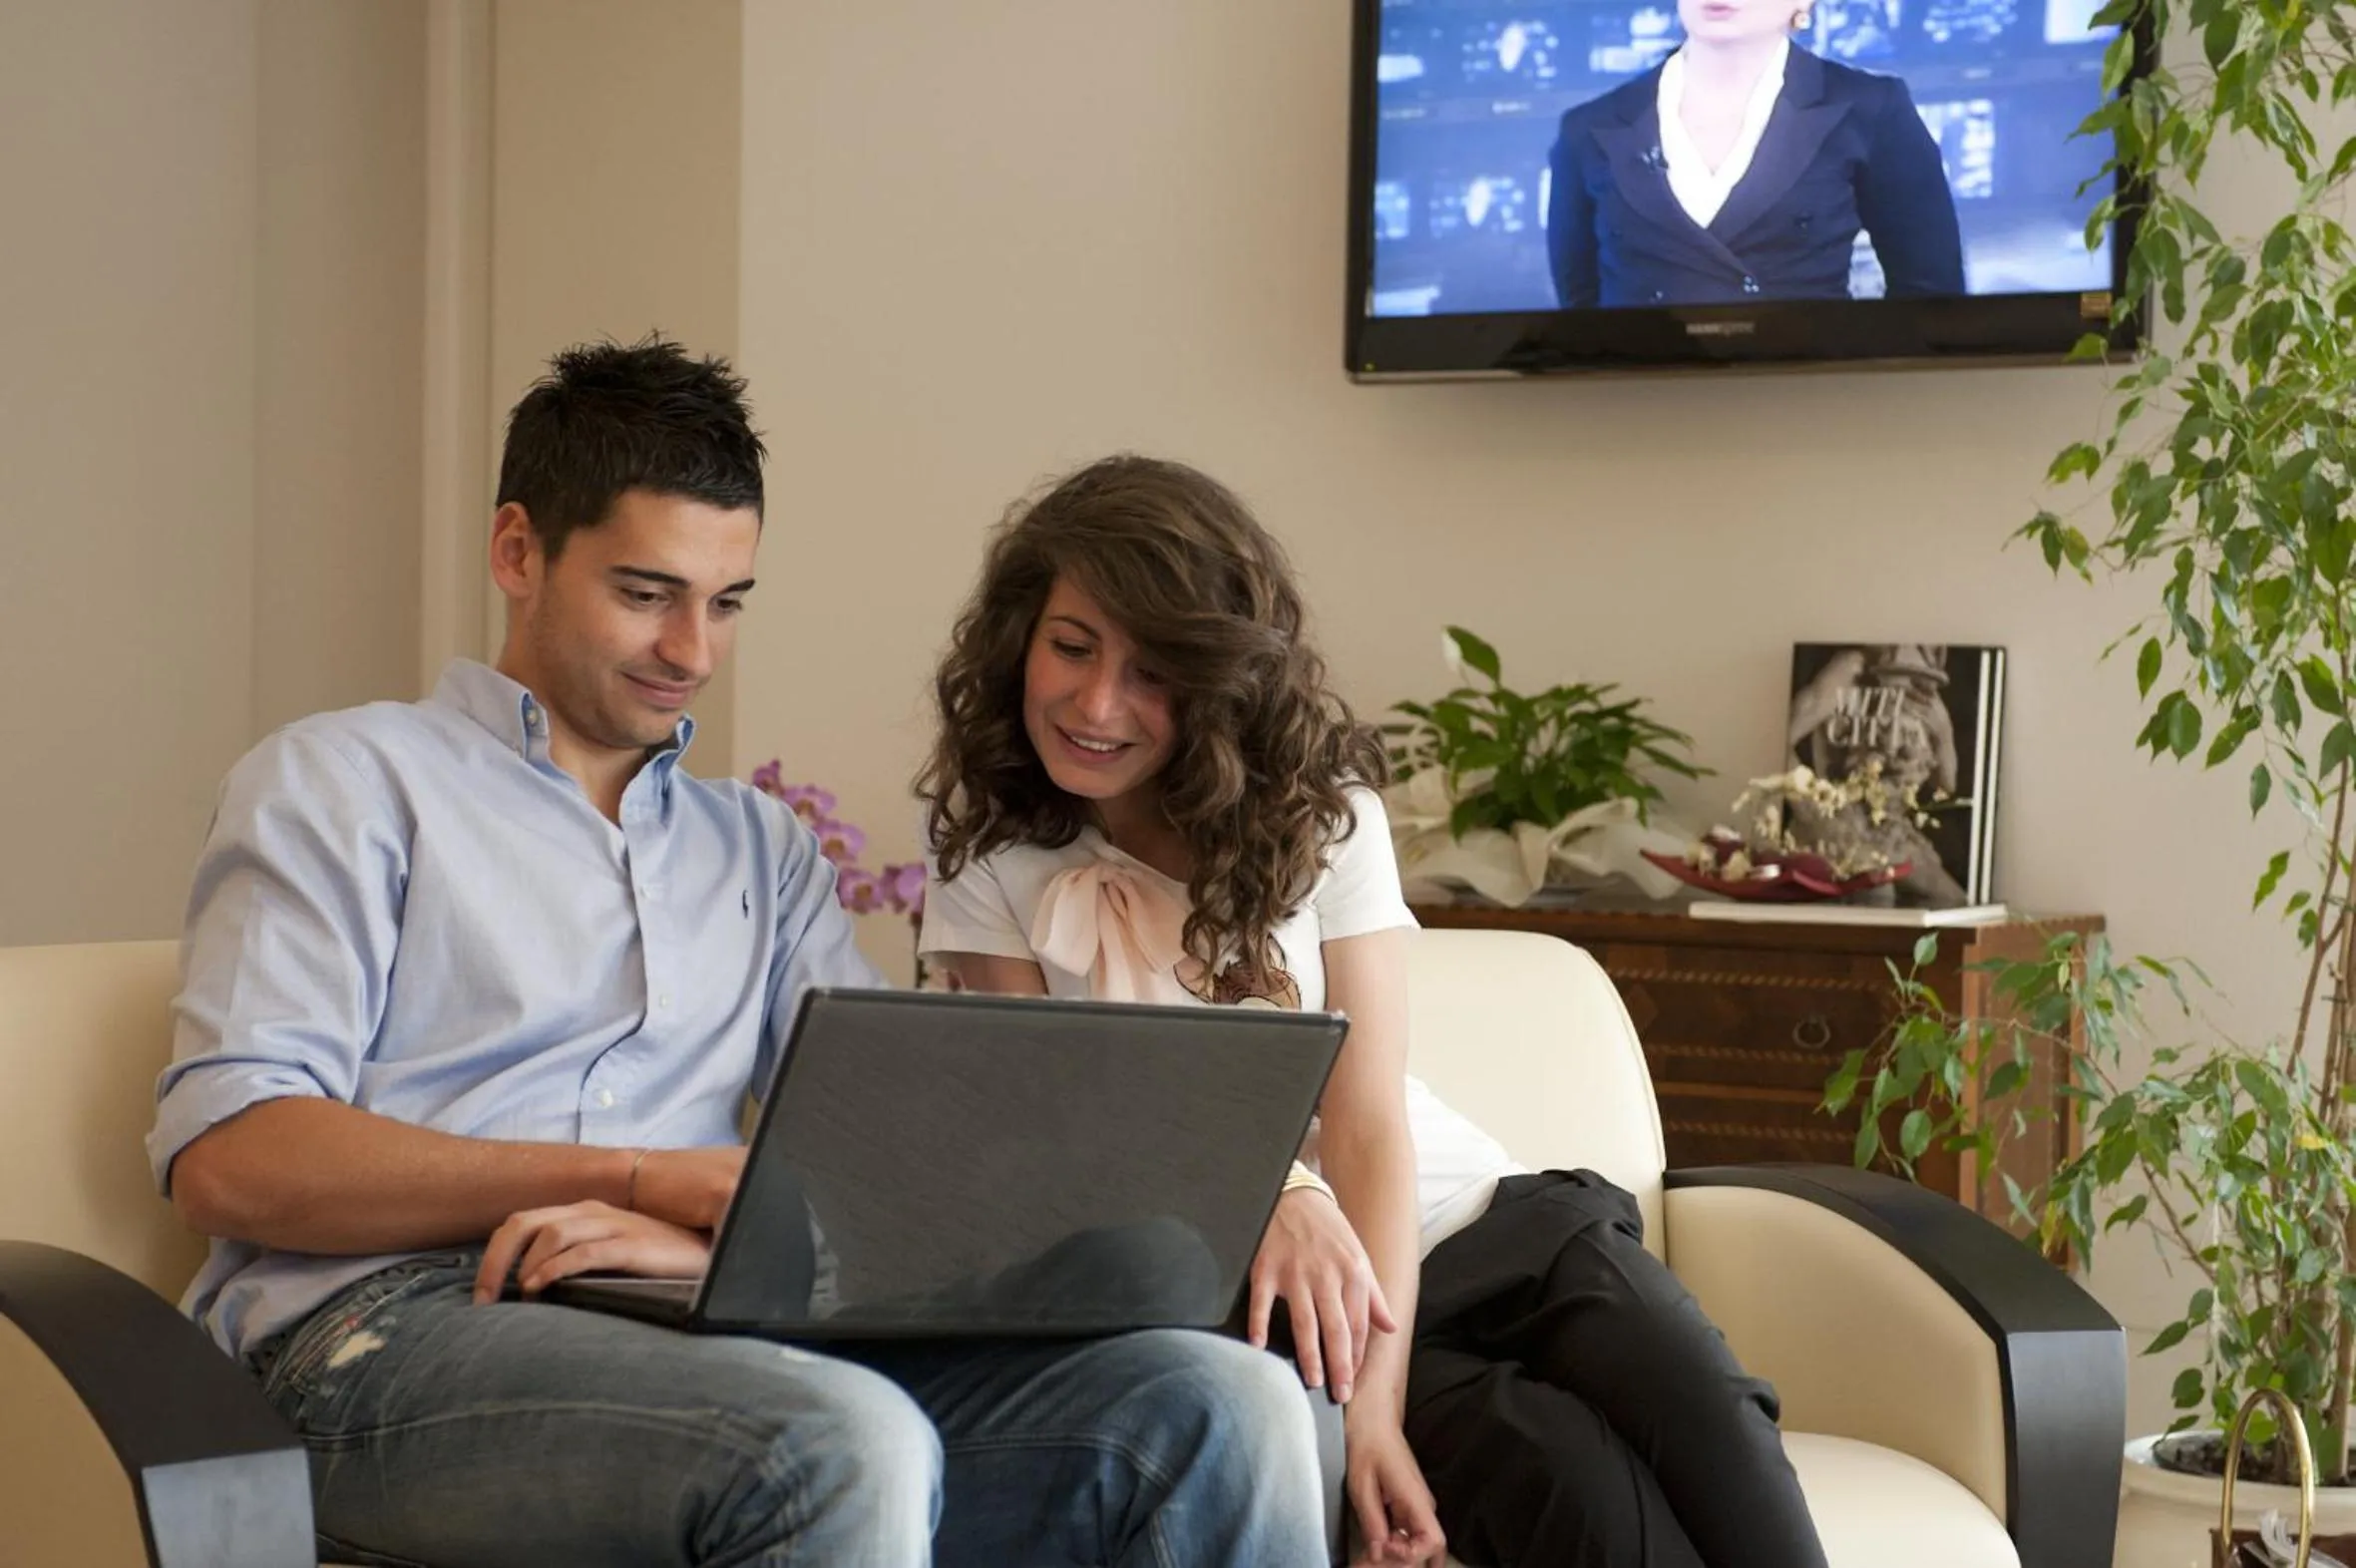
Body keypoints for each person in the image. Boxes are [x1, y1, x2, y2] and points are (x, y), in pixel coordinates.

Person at [148, 340, 1330, 1568]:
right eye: (646, 593)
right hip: (376, 1340)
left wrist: (703, 1242)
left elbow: (893, 1153)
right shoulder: (342, 782)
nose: (692, 651)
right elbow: (231, 1157)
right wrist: (647, 1179)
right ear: (517, 552)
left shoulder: (759, 848)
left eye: (725, 603)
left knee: (1218, 1405)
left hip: (689, 1329)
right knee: (836, 1438)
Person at [915, 454, 1831, 1568]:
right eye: (1071, 646)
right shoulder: (992, 869)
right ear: (1020, 634)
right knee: (1582, 1502)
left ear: (1216, 682)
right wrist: (1341, 1370)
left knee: (1722, 1437)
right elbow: (1057, 1141)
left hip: (1488, 1223)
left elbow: (1367, 1122)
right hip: (1306, 1311)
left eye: (1153, 671)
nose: (1098, 703)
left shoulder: (1320, 816)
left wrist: (1378, 1413)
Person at [1546, 0, 1964, 309]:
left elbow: (1931, 298)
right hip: (1638, 405)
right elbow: (1580, 311)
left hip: (1810, 401)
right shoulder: (1589, 128)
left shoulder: (1872, 109)